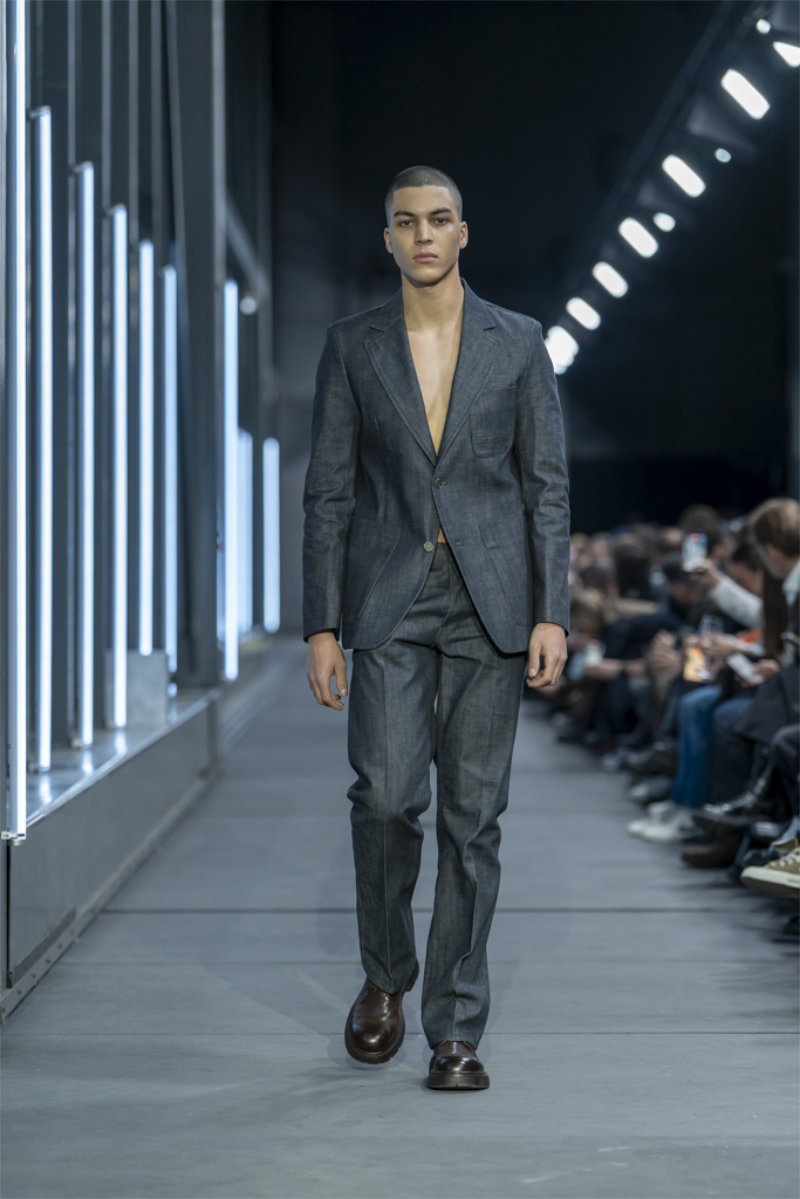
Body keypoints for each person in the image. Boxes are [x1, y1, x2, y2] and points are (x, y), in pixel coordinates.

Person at [302, 165, 570, 1091]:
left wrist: (551, 609)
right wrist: (321, 624)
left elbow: (545, 486)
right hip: (388, 596)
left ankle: (455, 1027)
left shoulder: (519, 341)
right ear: (388, 238)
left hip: (492, 600)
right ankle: (385, 975)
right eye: (407, 221)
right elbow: (329, 491)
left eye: (440, 218)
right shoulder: (352, 345)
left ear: (464, 232)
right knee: (384, 797)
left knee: (473, 816)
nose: (424, 234)